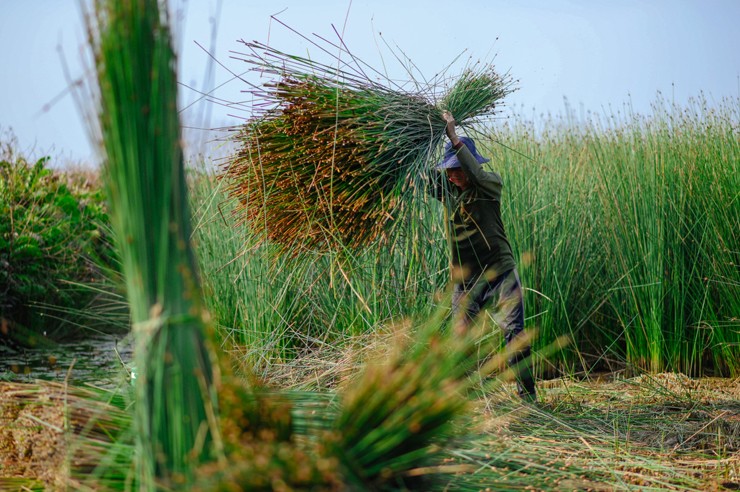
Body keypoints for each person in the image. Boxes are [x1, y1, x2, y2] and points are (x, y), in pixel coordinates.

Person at [433, 110, 536, 401]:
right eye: (448, 170)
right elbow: (421, 177)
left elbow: (475, 175)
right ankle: (459, 402)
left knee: (515, 334)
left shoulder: (490, 184)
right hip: (466, 280)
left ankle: (528, 397)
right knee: (459, 339)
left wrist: (453, 137)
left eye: (457, 168)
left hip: (500, 272)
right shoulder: (449, 190)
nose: (452, 175)